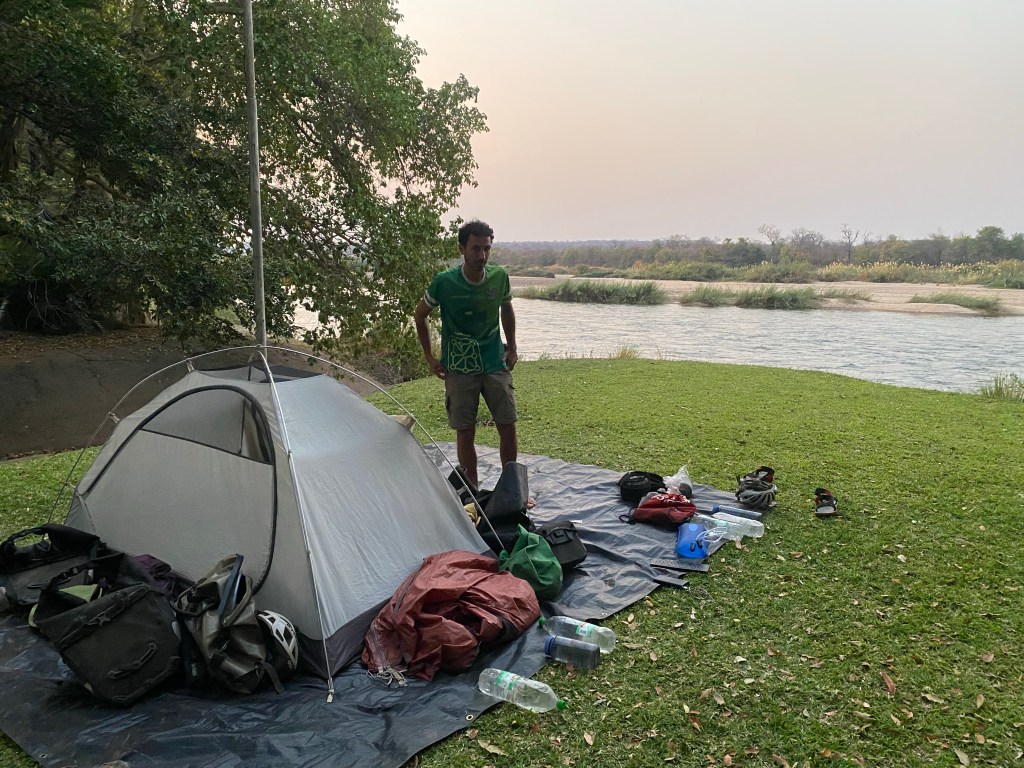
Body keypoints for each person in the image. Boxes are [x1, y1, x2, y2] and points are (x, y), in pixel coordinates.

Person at [413, 220, 518, 490]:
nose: (481, 256)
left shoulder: (499, 277)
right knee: (465, 430)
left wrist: (513, 346)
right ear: (462, 249)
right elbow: (420, 314)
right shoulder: (444, 282)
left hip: (495, 363)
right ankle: (472, 493)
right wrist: (429, 356)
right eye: (475, 249)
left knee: (507, 425)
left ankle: (511, 488)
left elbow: (506, 309)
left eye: (486, 249)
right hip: (459, 369)